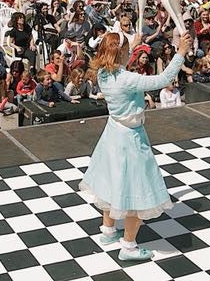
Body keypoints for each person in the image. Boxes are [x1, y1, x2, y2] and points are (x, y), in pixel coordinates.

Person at [78, 27, 187, 264]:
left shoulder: (103, 74)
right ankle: (128, 245)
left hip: (112, 133)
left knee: (110, 181)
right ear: (121, 54)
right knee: (136, 192)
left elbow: (122, 65)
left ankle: (108, 231)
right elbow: (163, 80)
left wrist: (134, 45)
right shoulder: (127, 78)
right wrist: (180, 53)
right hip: (130, 138)